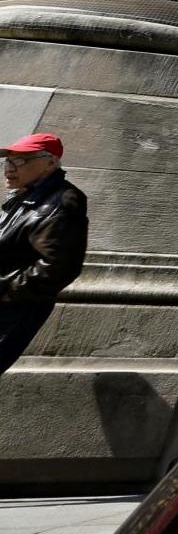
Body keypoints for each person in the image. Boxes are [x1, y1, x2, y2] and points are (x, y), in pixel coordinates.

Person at [0, 132, 86, 371]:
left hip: (12, 313)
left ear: (49, 162)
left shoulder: (63, 201)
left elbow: (58, 268)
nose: (9, 168)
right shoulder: (25, 196)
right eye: (8, 161)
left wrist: (3, 288)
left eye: (20, 161)